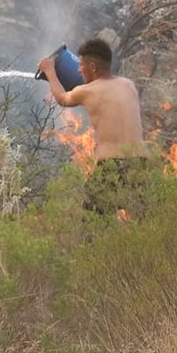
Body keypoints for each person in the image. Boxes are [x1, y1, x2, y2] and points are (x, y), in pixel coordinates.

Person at [38, 37, 152, 219]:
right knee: (146, 223)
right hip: (142, 164)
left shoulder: (87, 91)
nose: (78, 69)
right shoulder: (128, 85)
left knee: (93, 224)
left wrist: (50, 70)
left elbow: (62, 98)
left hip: (113, 165)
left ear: (92, 67)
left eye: (81, 64)